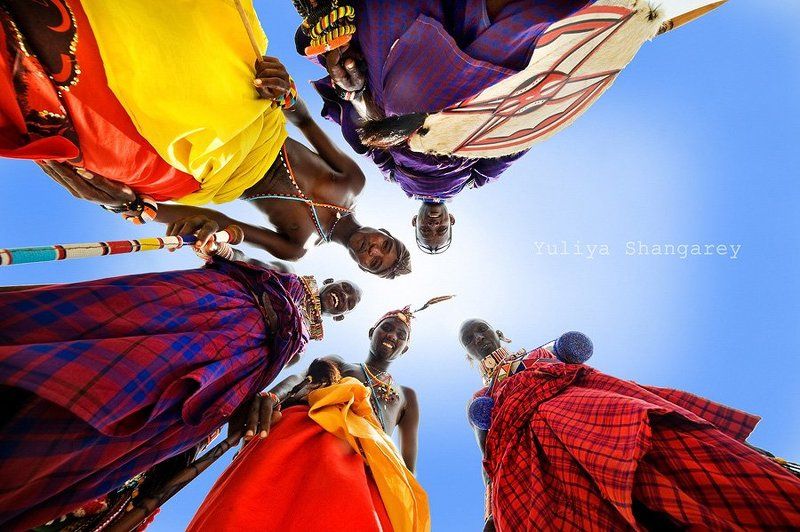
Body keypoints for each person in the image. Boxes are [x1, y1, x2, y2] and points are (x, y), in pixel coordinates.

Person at [0, 0, 410, 278]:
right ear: (386, 232)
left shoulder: (295, 248)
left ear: (361, 267)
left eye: (374, 262)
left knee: (105, 151)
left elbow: (225, 226)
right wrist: (285, 92)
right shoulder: (352, 182)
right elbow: (305, 123)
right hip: (251, 118)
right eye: (384, 246)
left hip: (206, 171)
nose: (372, 250)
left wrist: (143, 210)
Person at [0, 254, 361, 530]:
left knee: (136, 416)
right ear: (329, 281)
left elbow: (261, 379)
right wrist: (219, 244)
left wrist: (246, 405)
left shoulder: (298, 346)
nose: (342, 297)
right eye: (344, 288)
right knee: (104, 362)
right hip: (204, 311)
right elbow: (234, 256)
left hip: (223, 375)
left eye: (349, 302)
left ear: (342, 316)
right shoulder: (286, 273)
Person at [292, 0, 595, 252]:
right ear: (452, 222)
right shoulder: (474, 178)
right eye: (441, 229)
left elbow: (367, 140)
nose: (433, 225)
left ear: (415, 222)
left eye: (426, 230)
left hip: (398, 100)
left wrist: (356, 93)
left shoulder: (395, 176)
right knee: (505, 41)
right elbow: (513, 142)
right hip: (465, 101)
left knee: (396, 80)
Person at [459, 318, 800, 531]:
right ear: (468, 356)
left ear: (498, 333)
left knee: (653, 433)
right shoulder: (482, 398)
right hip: (532, 458)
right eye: (470, 340)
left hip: (588, 411)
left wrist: (564, 347)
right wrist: (490, 512)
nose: (478, 339)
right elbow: (490, 460)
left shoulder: (539, 354)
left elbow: (575, 349)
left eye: (481, 330)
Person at [187, 306, 444, 532]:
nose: (392, 336)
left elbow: (408, 466)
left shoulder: (407, 396)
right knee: (251, 503)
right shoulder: (340, 363)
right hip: (307, 430)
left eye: (401, 335)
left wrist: (403, 499)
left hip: (369, 463)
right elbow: (300, 378)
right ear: (371, 332)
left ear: (405, 348)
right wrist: (273, 396)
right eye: (386, 328)